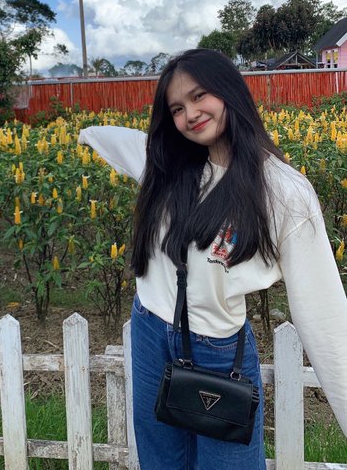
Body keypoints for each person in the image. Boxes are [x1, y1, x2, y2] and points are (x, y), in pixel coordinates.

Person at [78, 48, 347, 470]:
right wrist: (86, 133)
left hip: (219, 352)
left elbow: (323, 311)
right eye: (177, 108)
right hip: (149, 331)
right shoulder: (169, 166)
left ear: (228, 90)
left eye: (199, 95)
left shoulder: (284, 193)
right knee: (160, 462)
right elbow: (121, 142)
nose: (190, 114)